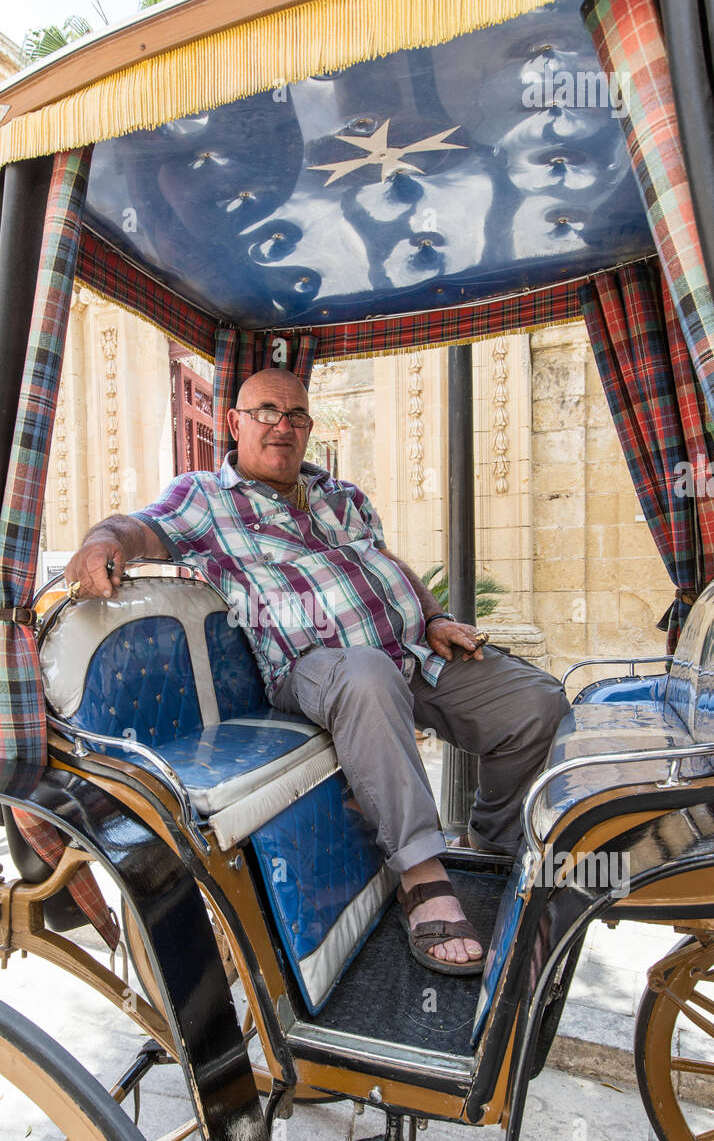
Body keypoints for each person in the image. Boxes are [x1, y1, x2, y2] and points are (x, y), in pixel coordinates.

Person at [64, 369, 569, 974]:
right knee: (365, 675)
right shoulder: (204, 496)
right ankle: (421, 873)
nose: (283, 426)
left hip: (410, 651)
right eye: (267, 412)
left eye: (296, 415)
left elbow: (390, 567)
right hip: (311, 667)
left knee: (538, 705)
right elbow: (138, 528)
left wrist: (434, 617)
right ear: (234, 424)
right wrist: (101, 542)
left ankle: (494, 844)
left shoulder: (343, 495)